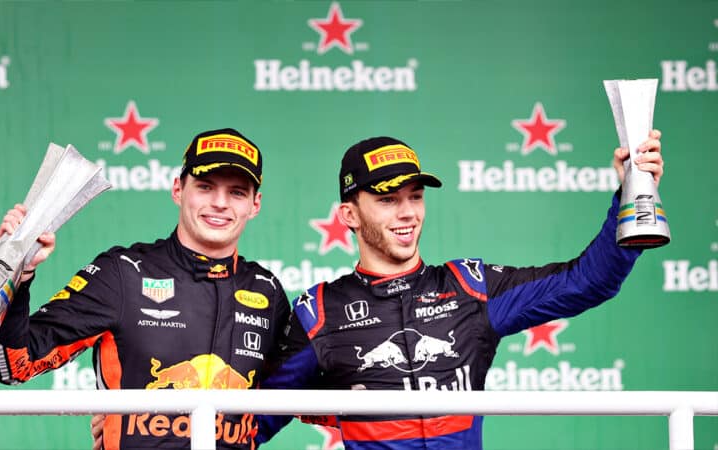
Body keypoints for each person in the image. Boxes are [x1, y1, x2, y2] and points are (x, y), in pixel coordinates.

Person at [252, 131, 664, 449]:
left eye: (415, 197)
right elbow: (254, 423)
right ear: (349, 214)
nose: (408, 212)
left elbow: (588, 281)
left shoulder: (470, 287)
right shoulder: (319, 310)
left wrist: (633, 192)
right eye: (388, 200)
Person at [0, 128, 291, 450]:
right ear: (178, 190)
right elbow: (11, 365)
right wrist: (18, 270)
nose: (219, 203)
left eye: (237, 193)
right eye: (204, 187)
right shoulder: (123, 273)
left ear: (254, 205)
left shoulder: (266, 290)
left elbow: (299, 390)